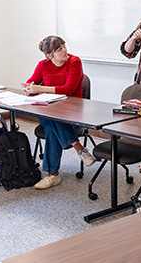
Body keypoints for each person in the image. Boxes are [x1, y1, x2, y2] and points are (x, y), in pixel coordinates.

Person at [22, 36, 97, 190]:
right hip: (50, 111)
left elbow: (68, 89)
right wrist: (28, 87)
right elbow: (32, 81)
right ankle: (78, 147)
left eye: (64, 46)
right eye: (59, 49)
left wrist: (40, 89)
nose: (65, 50)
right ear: (50, 56)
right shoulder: (43, 65)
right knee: (51, 117)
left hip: (73, 113)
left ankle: (53, 175)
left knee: (51, 127)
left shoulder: (74, 61)